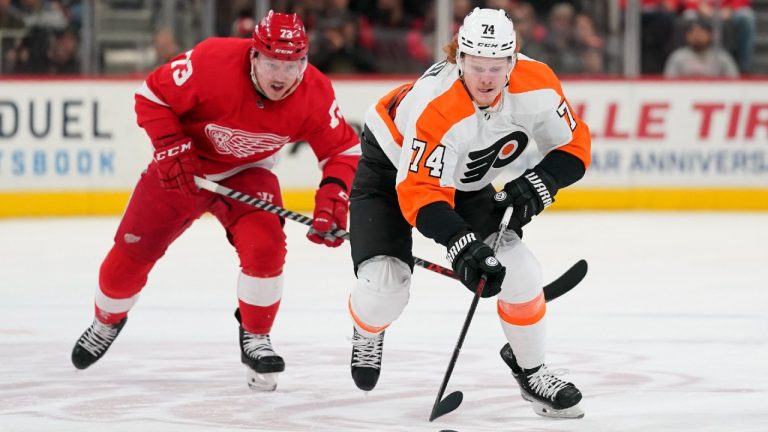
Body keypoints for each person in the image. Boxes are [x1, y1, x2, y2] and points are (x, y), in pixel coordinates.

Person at [70, 10, 360, 391]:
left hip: (248, 173)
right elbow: (151, 96)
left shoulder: (315, 92)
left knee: (266, 248)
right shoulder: (212, 62)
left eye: (293, 65)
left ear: (305, 62)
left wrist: (333, 199)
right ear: (254, 55)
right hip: (184, 167)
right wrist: (169, 145)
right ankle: (106, 319)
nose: (282, 76)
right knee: (130, 254)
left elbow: (342, 149)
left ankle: (255, 337)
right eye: (273, 63)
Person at [346, 8, 590, 419]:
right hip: (389, 172)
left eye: (497, 67)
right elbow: (419, 192)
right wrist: (462, 246)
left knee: (520, 271)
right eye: (476, 66)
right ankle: (367, 330)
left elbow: (574, 146)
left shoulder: (538, 83)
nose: (486, 79)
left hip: (465, 183)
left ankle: (531, 371)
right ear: (458, 58)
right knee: (384, 288)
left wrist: (541, 182)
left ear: (514, 59)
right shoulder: (437, 105)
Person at [664, 18, 739, 78]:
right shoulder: (678, 57)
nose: (697, 36)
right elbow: (668, 83)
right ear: (687, 36)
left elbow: (734, 82)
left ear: (710, 35)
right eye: (692, 32)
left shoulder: (721, 57)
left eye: (701, 32)